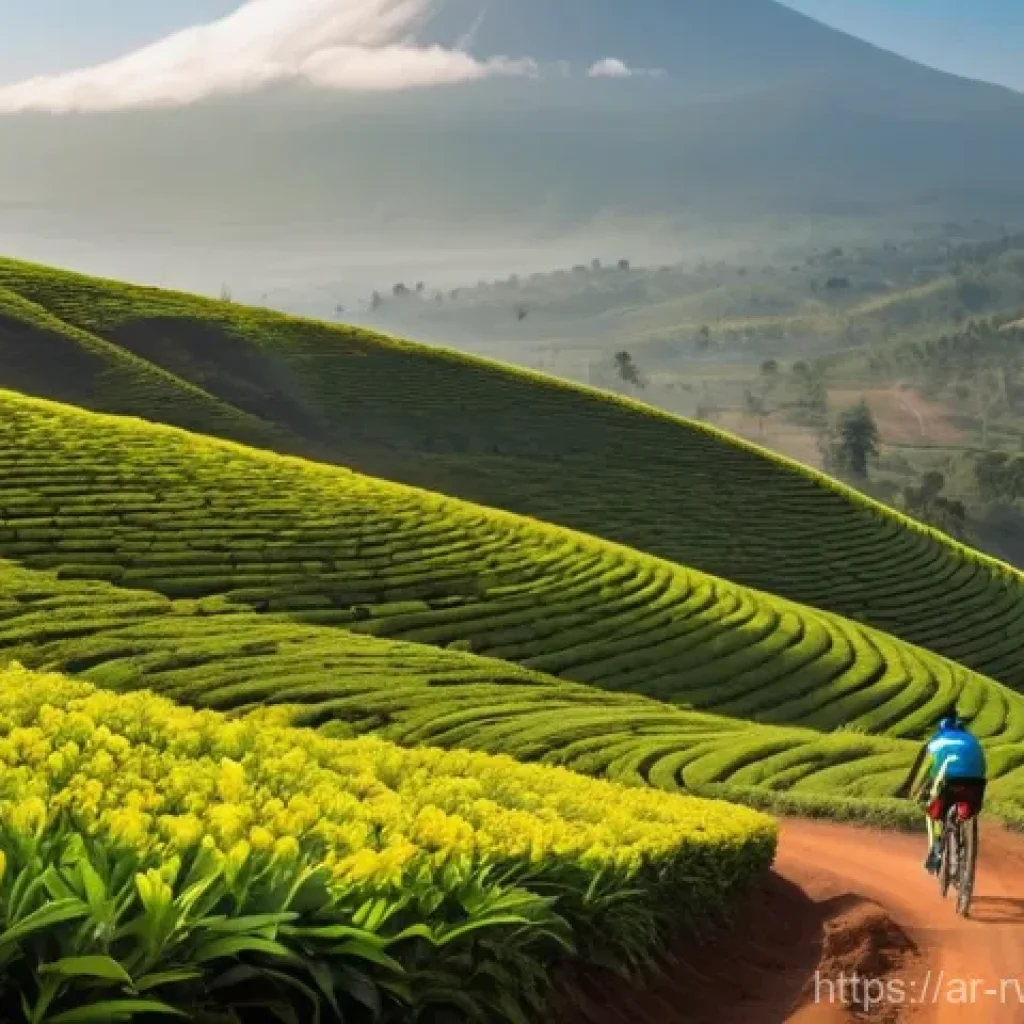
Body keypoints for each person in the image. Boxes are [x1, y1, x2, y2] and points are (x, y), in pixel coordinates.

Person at [896, 704, 987, 874]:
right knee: (968, 809)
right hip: (976, 785)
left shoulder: (936, 742)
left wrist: (915, 793)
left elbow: (924, 772)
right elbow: (982, 766)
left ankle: (936, 850)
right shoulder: (972, 740)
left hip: (949, 784)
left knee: (932, 812)